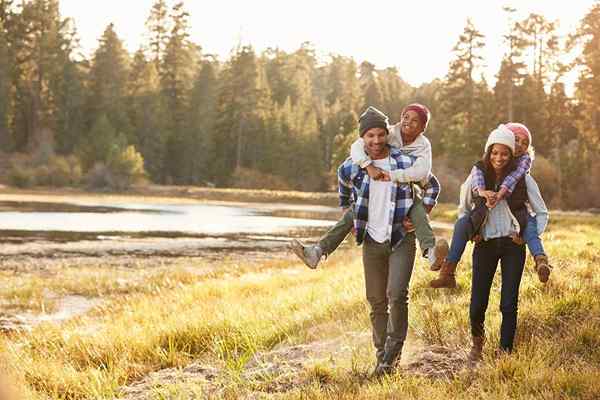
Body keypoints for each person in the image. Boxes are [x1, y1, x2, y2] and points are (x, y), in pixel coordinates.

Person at [337, 107, 440, 376]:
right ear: (363, 138)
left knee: (397, 295)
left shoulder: (403, 159)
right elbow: (343, 178)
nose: (377, 140)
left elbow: (432, 183)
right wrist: (350, 211)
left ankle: (392, 357)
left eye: (381, 135)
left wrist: (420, 213)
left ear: (386, 135)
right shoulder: (358, 163)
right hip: (372, 238)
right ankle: (382, 357)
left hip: (400, 237)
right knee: (375, 300)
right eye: (370, 136)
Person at [290, 104, 448, 271]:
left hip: (406, 189)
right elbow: (357, 148)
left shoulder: (423, 146)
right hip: (375, 193)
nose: (408, 122)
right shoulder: (388, 132)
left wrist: (424, 207)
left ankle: (431, 253)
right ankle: (317, 252)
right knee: (352, 213)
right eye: (406, 117)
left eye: (416, 121)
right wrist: (367, 167)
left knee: (418, 210)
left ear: (423, 128)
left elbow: (424, 174)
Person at [455, 127, 548, 360]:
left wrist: (526, 235)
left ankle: (505, 351)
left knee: (508, 303)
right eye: (513, 142)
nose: (502, 156)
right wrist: (472, 232)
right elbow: (463, 209)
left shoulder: (524, 179)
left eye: (521, 143)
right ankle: (477, 342)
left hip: (512, 246)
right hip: (484, 244)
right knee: (477, 302)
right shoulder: (478, 176)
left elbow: (542, 212)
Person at [430, 123, 550, 288]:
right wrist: (474, 230)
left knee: (529, 226)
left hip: (515, 227)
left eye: (525, 143)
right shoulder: (482, 168)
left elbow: (540, 209)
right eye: (517, 140)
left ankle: (541, 261)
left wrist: (530, 232)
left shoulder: (523, 171)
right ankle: (448, 271)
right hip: (485, 234)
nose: (520, 145)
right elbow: (466, 201)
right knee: (462, 224)